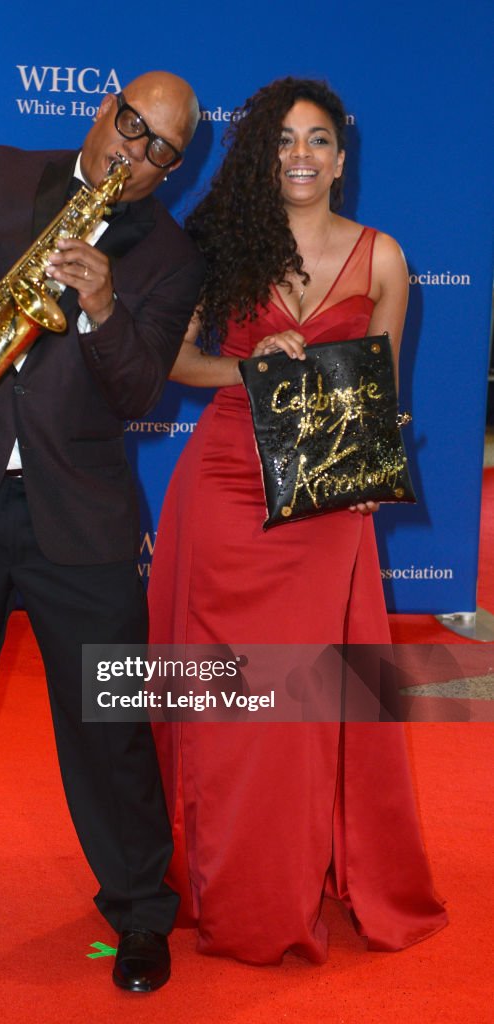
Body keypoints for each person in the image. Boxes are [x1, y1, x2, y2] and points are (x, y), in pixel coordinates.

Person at [0, 71, 204, 992]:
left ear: (172, 171)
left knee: (112, 723)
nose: (133, 153)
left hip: (82, 517)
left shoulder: (174, 258)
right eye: (130, 126)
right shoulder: (2, 172)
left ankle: (140, 910)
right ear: (103, 109)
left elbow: (140, 392)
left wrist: (103, 307)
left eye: (159, 151)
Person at [148, 77, 448, 965]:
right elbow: (171, 361)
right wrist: (247, 367)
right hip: (227, 490)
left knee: (302, 708)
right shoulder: (223, 248)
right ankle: (213, 882)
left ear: (342, 158)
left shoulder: (384, 259)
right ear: (262, 156)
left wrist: (368, 472)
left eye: (319, 139)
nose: (303, 155)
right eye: (285, 140)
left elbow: (381, 390)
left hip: (323, 506)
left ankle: (283, 881)